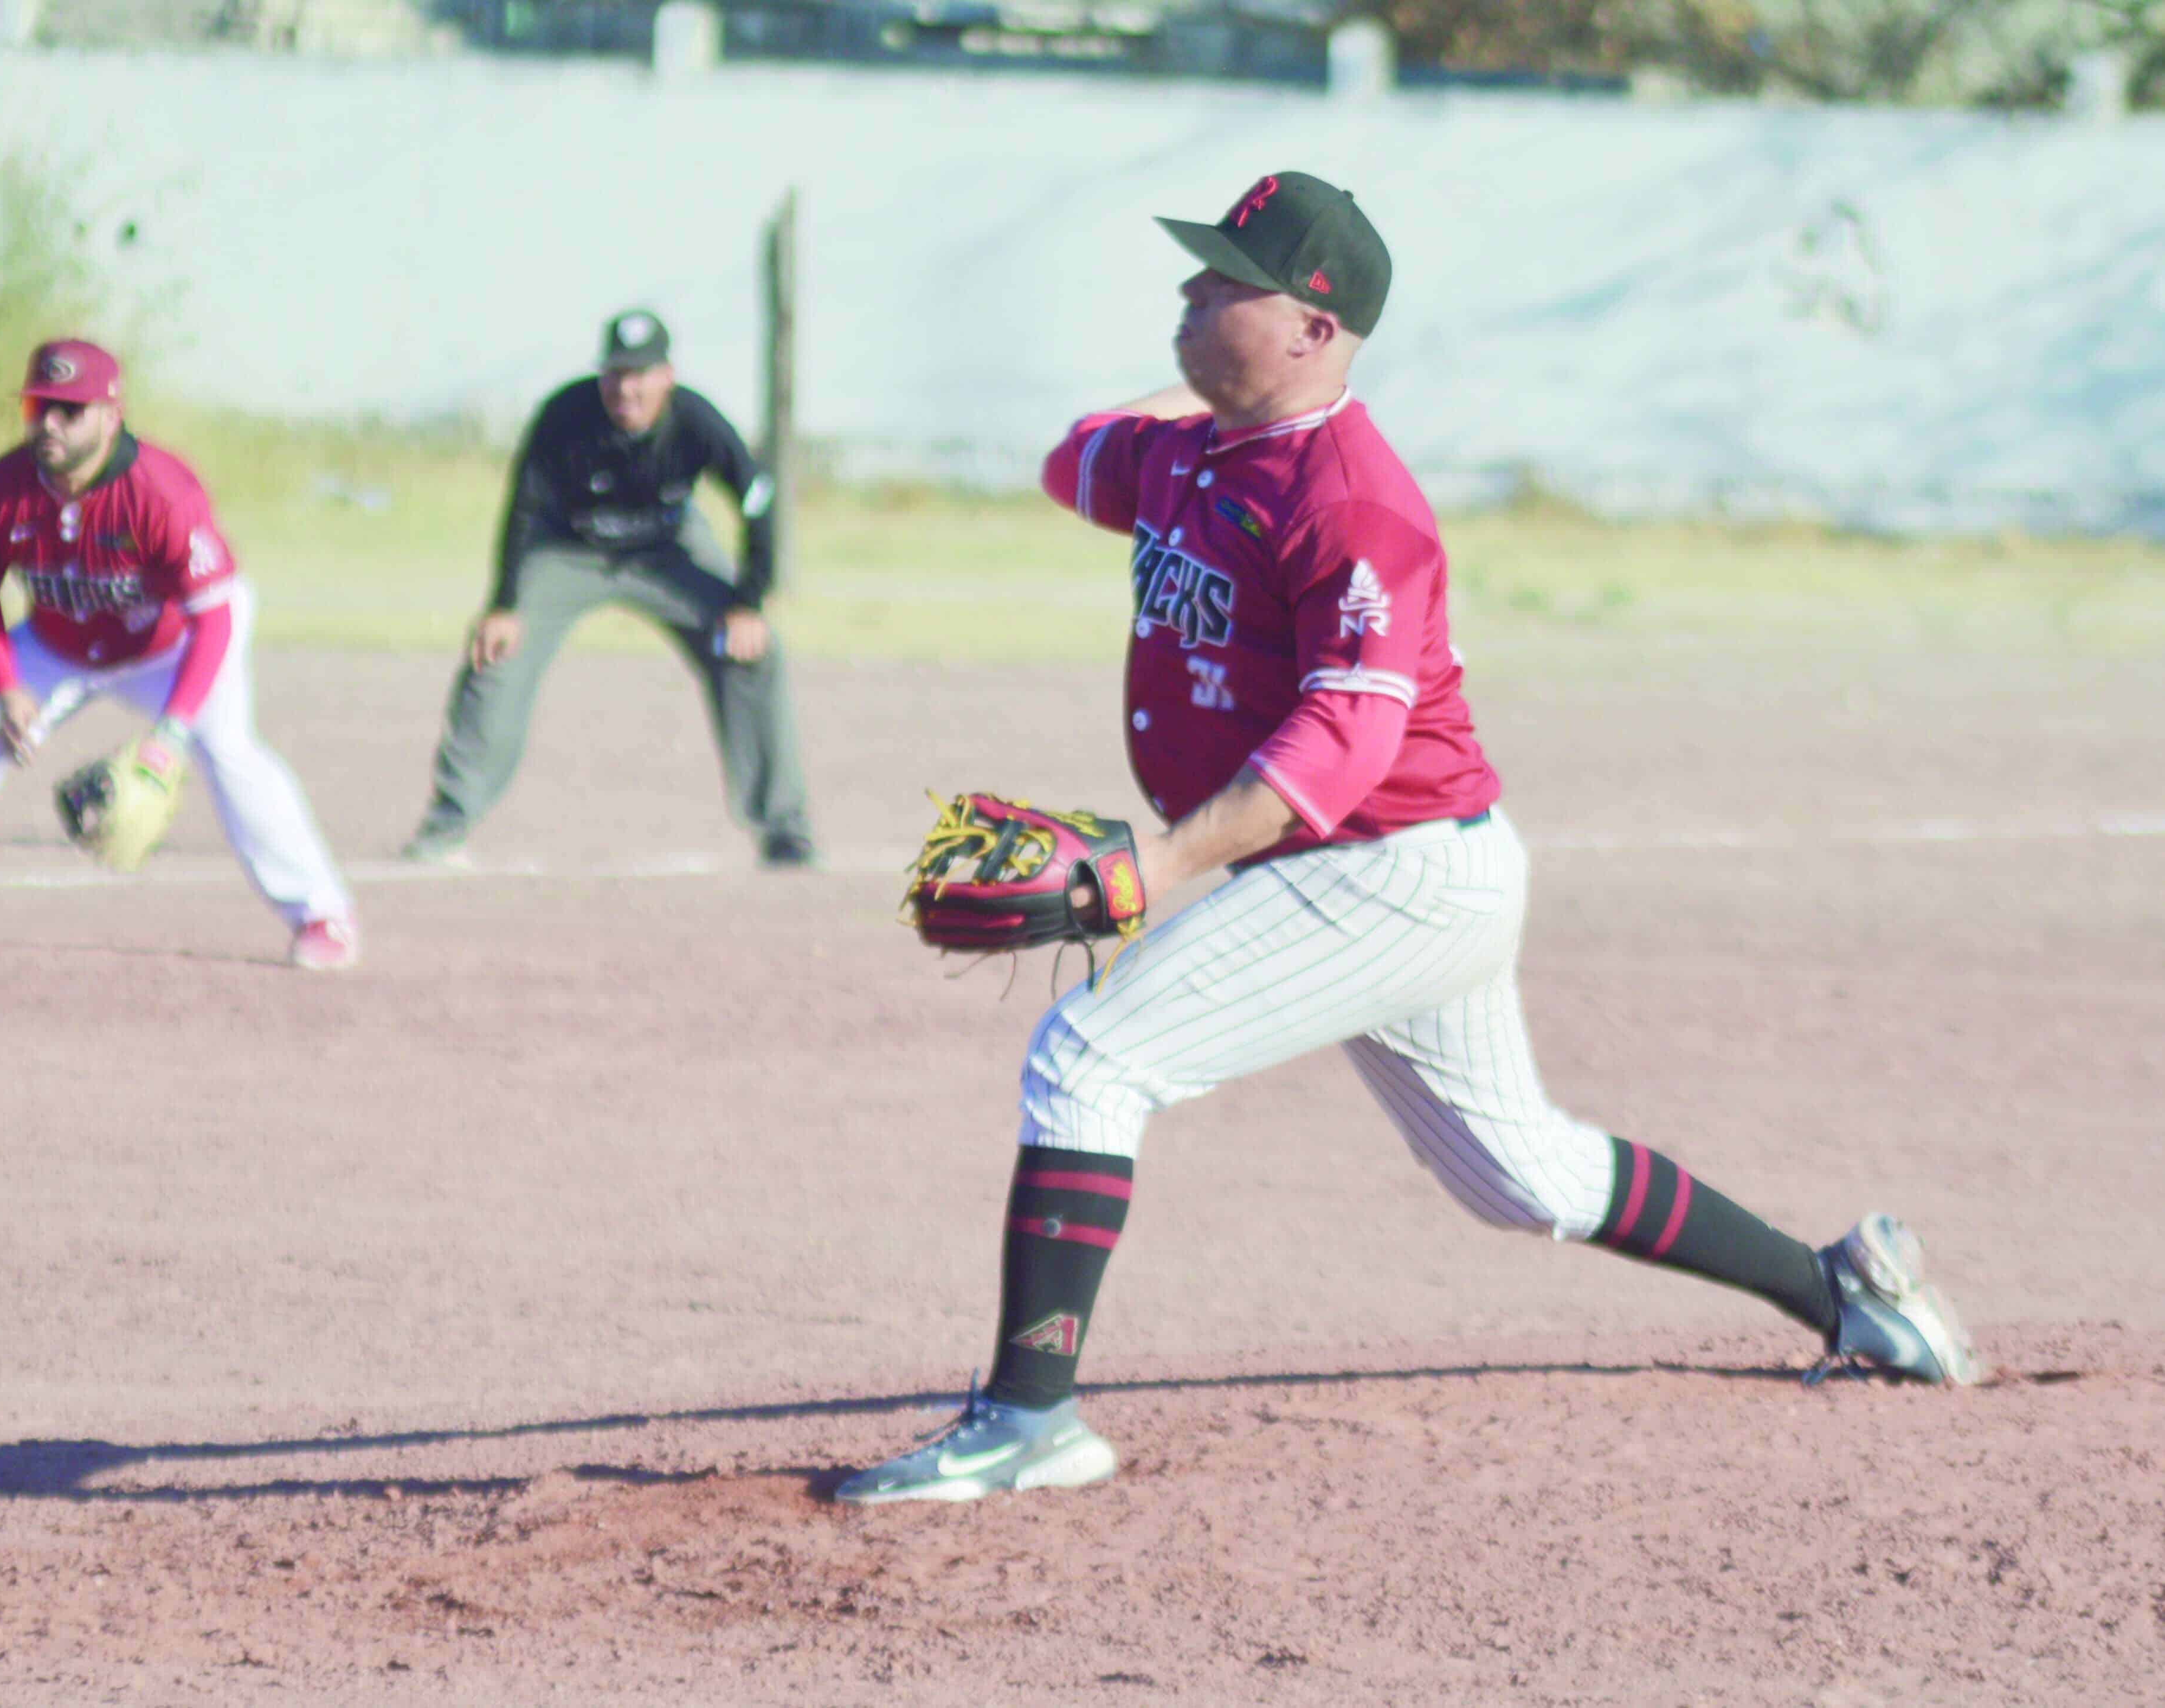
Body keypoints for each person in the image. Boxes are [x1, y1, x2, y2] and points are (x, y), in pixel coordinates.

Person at [835, 172, 1979, 1507]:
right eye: (1198, 272)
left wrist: (1150, 873)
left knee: (1089, 1060)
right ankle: (1845, 1293)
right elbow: (1066, 459)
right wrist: (1195, 395)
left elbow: (1340, 747)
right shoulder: (1190, 452)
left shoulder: (1355, 503)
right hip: (1380, 873)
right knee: (1526, 1177)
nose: (1191, 296)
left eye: (1226, 283)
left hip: (1393, 872)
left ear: (1317, 328)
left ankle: (1030, 1418)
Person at [0, 339, 360, 971]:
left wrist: (170, 733)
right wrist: (8, 687)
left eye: (71, 410)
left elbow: (217, 617)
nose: (51, 424)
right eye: (41, 407)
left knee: (229, 749)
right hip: (58, 645)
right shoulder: (5, 488)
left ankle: (321, 915)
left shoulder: (160, 491)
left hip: (168, 648)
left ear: (111, 415)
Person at [401, 310, 816, 868]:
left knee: (753, 654)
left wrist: (748, 604)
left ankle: (784, 830)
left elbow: (756, 497)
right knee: (497, 653)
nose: (628, 388)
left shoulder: (696, 421)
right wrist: (503, 605)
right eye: (616, 374)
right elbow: (523, 506)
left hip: (668, 550)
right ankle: (447, 826)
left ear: (667, 376)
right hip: (568, 549)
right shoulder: (565, 415)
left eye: (642, 374)